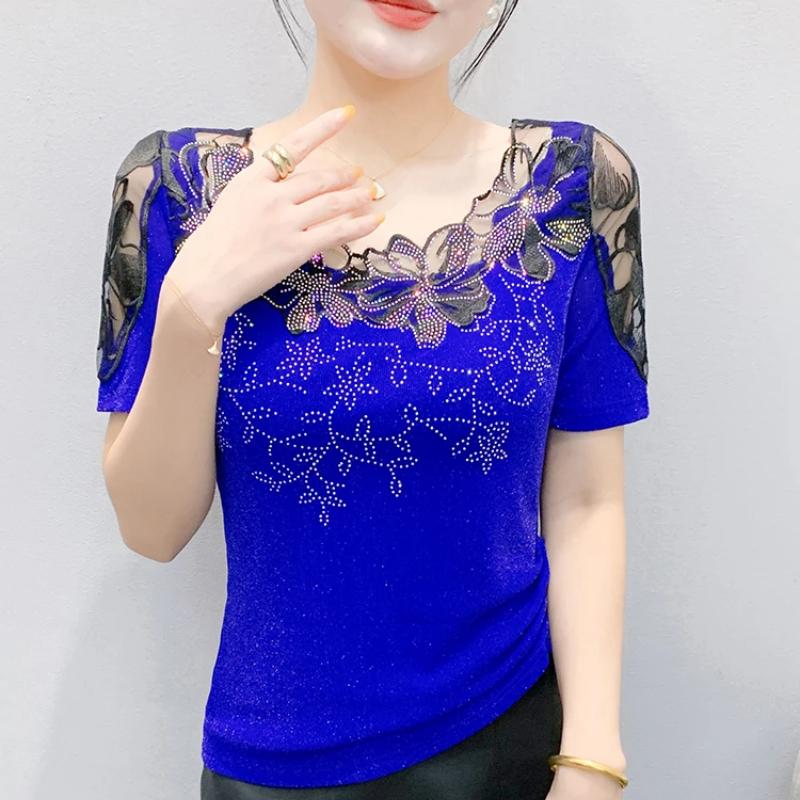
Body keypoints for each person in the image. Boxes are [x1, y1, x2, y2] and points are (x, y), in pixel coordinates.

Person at [95, 1, 650, 798]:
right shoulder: (175, 190)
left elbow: (588, 499)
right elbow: (151, 530)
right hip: (271, 764)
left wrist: (594, 761)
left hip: (507, 742)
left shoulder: (570, 186)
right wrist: (191, 308)